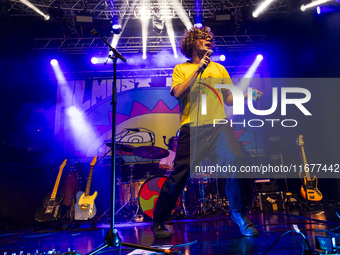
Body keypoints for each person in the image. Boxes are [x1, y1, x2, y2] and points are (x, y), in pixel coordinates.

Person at [151, 26, 262, 239]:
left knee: (235, 159)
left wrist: (248, 95)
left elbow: (229, 98)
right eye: (203, 38)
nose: (208, 40)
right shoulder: (181, 69)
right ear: (192, 43)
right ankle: (158, 220)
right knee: (179, 177)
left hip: (218, 126)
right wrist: (198, 70)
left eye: (210, 38)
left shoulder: (219, 70)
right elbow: (178, 93)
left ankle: (239, 214)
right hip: (192, 130)